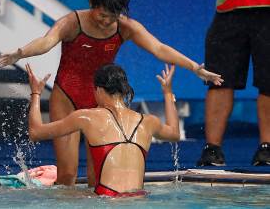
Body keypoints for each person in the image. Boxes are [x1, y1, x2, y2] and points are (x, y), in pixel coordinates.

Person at [0, 0, 223, 186]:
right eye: (102, 15)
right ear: (91, 3)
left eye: (112, 17)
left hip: (101, 102)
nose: (106, 22)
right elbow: (46, 42)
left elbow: (159, 48)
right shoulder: (72, 23)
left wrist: (195, 68)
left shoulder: (126, 27)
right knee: (67, 174)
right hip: (67, 97)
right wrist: (20, 53)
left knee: (99, 178)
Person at [26, 62, 180, 197]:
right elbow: (174, 133)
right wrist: (167, 93)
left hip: (107, 200)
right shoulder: (148, 121)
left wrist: (36, 93)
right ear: (124, 90)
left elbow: (35, 132)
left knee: (65, 193)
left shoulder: (86, 117)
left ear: (98, 90)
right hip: (139, 199)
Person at [197, 0, 270, 166]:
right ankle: (212, 149)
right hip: (229, 5)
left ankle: (267, 147)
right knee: (219, 79)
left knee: (269, 82)